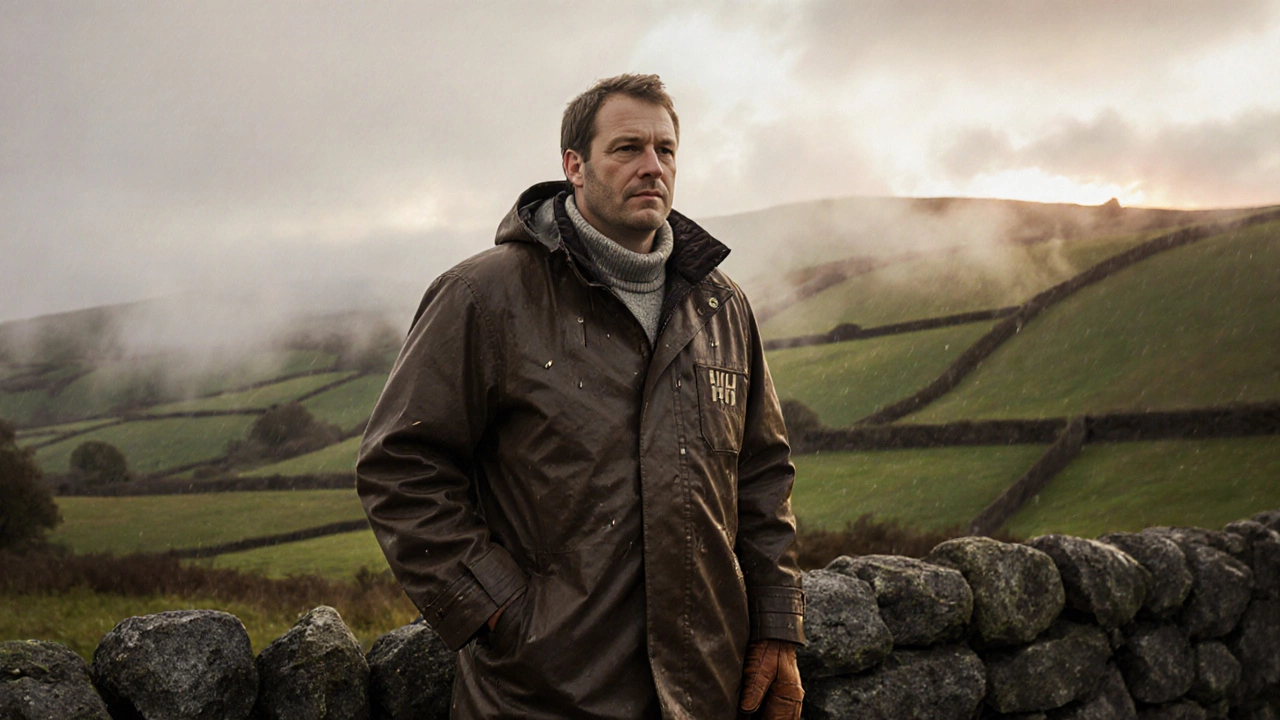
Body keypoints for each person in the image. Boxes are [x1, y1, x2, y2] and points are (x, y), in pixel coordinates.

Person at [357, 73, 805, 720]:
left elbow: (761, 475)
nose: (652, 167)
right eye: (627, 148)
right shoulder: (484, 296)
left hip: (706, 688)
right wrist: (503, 615)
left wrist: (775, 626)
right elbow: (400, 465)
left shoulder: (720, 304)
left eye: (666, 150)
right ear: (574, 165)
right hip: (542, 696)